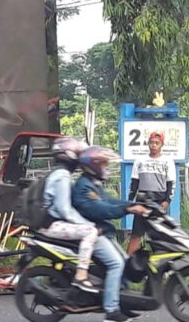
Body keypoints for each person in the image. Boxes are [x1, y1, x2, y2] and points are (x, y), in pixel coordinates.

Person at [72, 146, 149, 322]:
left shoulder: (92, 184)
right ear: (94, 165)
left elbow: (110, 201)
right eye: (104, 164)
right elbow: (101, 210)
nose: (107, 167)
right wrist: (128, 209)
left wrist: (132, 204)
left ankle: (122, 303)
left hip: (101, 232)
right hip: (93, 233)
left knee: (124, 261)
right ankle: (111, 311)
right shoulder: (84, 187)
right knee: (116, 264)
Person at [37, 137, 99, 293]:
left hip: (49, 222)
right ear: (70, 156)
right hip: (52, 224)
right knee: (90, 232)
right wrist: (88, 224)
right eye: (78, 155)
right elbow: (65, 210)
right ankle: (81, 275)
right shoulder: (63, 176)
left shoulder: (57, 173)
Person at [126, 132, 176, 256]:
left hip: (159, 201)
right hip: (142, 200)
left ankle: (158, 265)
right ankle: (128, 263)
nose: (153, 145)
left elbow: (171, 183)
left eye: (156, 143)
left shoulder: (168, 161)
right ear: (148, 144)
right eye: (151, 142)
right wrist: (130, 200)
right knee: (136, 234)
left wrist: (167, 201)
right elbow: (134, 182)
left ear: (161, 145)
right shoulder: (140, 160)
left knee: (158, 234)